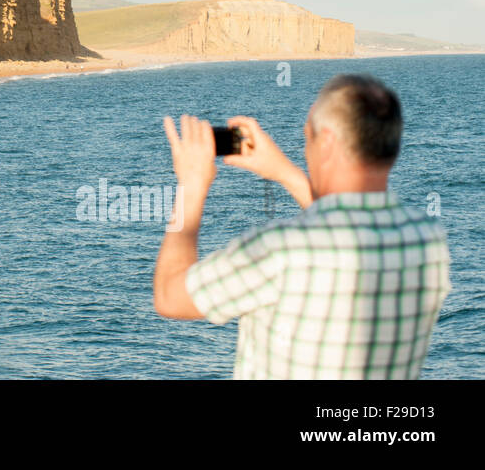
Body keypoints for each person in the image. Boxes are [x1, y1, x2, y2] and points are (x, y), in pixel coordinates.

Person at [153, 74, 450, 379]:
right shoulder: (426, 240)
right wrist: (285, 172)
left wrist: (191, 185)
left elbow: (169, 296)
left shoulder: (279, 250)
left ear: (329, 144)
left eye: (309, 137)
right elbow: (348, 228)